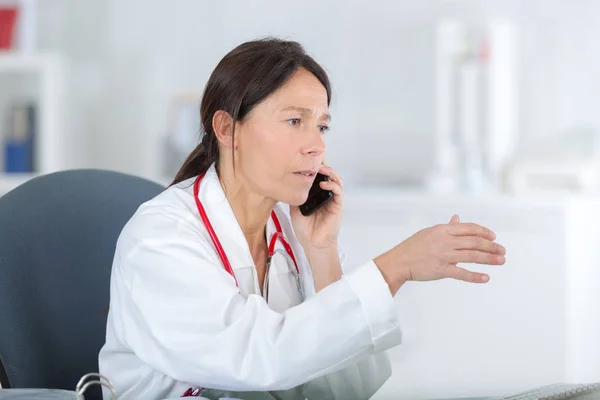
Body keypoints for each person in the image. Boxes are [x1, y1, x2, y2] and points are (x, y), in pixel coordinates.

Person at [98, 37, 506, 400]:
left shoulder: (293, 233)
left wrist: (321, 252)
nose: (315, 146)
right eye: (295, 122)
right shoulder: (159, 238)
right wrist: (395, 267)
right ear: (226, 128)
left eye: (322, 127)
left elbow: (348, 388)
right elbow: (256, 358)